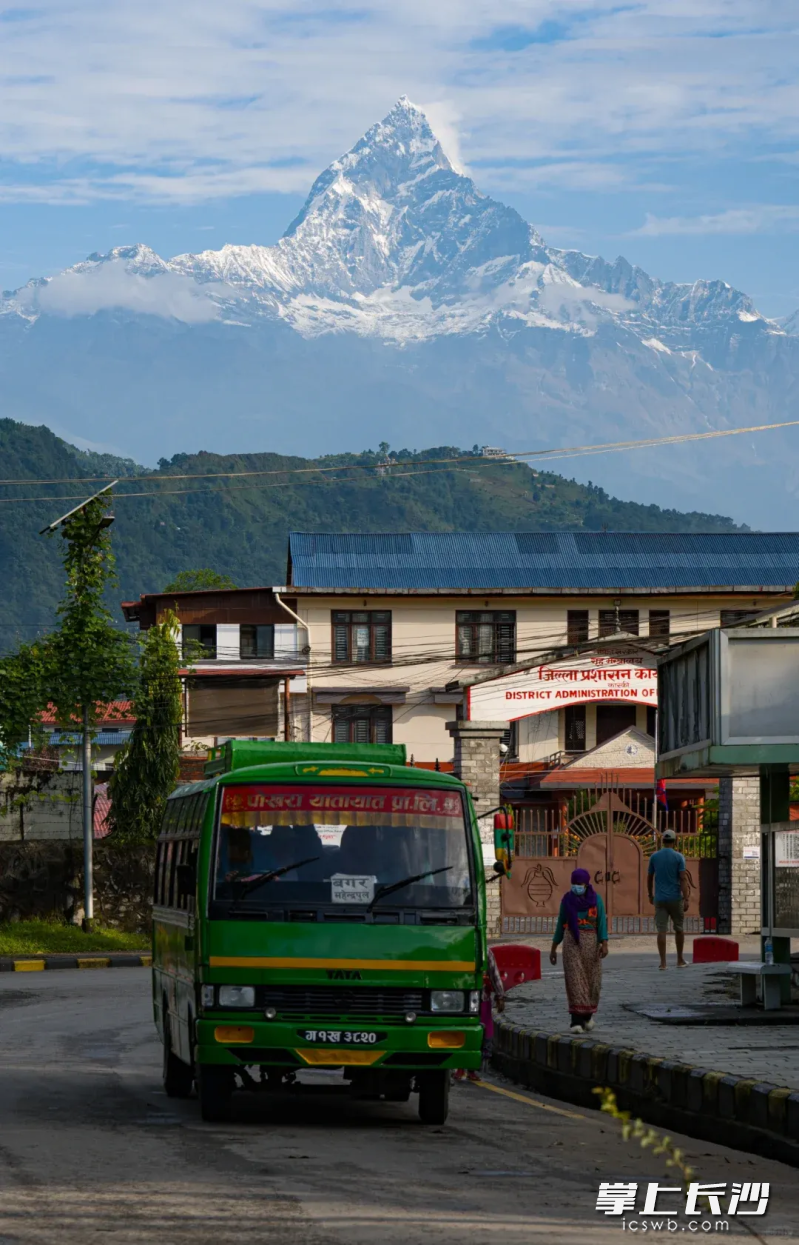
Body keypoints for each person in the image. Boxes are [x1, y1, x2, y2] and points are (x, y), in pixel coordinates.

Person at [549, 868, 608, 1033]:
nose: (576, 887)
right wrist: (553, 948)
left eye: (579, 884)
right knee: (575, 980)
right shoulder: (567, 900)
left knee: (592, 982)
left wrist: (604, 943)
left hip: (592, 944)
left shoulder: (596, 900)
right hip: (572, 943)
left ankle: (587, 1016)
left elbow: (602, 922)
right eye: (574, 884)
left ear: (586, 884)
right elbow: (561, 924)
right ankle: (576, 1021)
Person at [647, 829, 690, 970]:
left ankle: (663, 963)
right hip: (675, 898)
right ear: (674, 841)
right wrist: (686, 898)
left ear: (662, 841)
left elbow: (649, 877)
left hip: (660, 899)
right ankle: (679, 960)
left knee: (661, 931)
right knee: (679, 929)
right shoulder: (679, 857)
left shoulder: (654, 857)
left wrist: (650, 895)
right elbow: (683, 878)